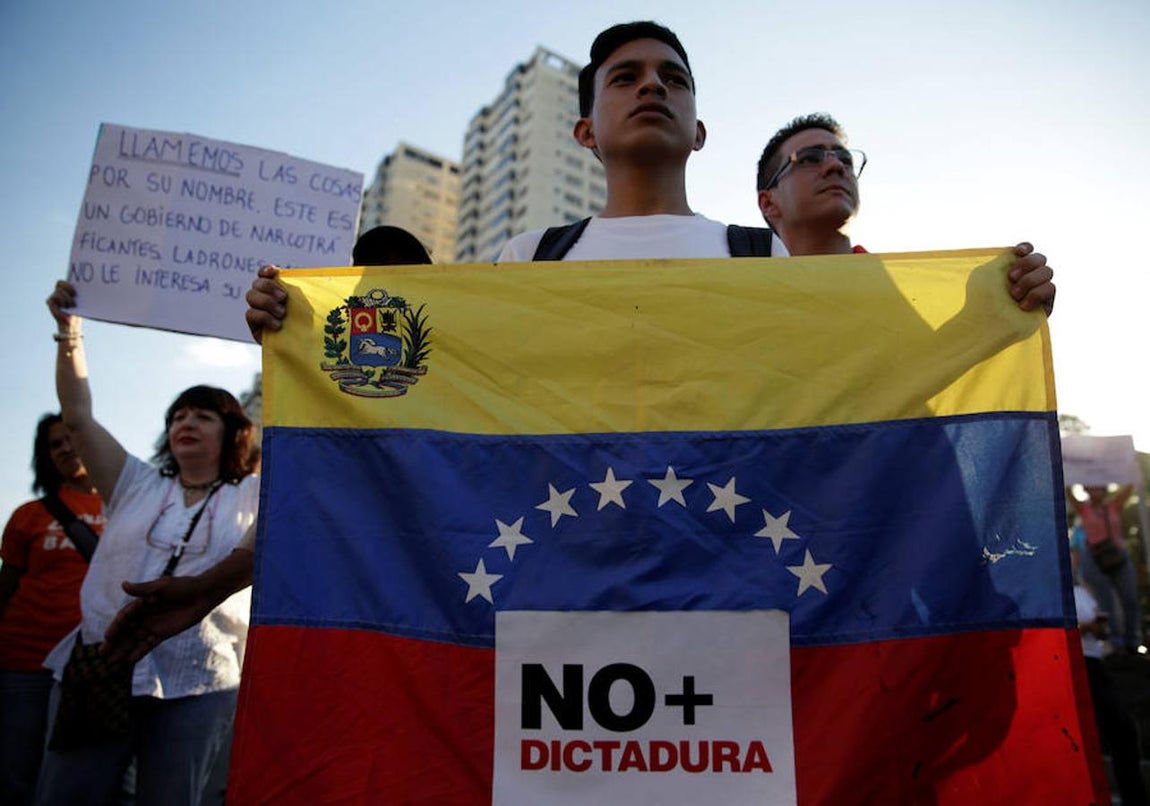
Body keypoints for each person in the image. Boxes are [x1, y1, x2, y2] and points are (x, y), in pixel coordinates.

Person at [102, 226, 434, 664]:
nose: (381, 291)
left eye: (406, 275)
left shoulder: (478, 401)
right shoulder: (345, 407)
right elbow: (307, 489)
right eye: (366, 278)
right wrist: (292, 350)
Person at [37, 281, 259, 806]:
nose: (186, 423)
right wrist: (70, 333)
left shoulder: (257, 492)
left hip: (201, 683)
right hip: (100, 668)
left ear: (233, 433)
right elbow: (78, 417)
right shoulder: (134, 482)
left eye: (202, 416)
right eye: (178, 415)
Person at [755, 113, 1055, 314]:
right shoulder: (747, 300)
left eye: (845, 158)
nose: (836, 166)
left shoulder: (914, 297)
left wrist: (1007, 312)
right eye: (809, 158)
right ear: (768, 202)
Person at [0, 415, 104, 806]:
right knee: (16, 774)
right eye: (55, 444)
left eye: (71, 437)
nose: (66, 448)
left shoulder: (133, 504)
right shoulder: (29, 514)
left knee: (76, 778)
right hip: (25, 664)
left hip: (94, 668)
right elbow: (6, 587)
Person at [1072, 542, 1148, 804]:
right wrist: (1083, 629)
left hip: (1095, 663)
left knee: (1123, 729)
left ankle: (1133, 795)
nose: (1073, 559)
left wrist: (1098, 628)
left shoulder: (1083, 592)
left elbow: (1101, 629)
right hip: (1074, 663)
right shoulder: (1051, 593)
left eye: (1074, 554)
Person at [1072, 484, 1141, 652]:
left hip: (1118, 556)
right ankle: (1115, 643)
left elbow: (1129, 487)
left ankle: (1132, 642)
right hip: (1095, 558)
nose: (1097, 490)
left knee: (1129, 599)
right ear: (1086, 489)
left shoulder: (1113, 506)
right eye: (1093, 487)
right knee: (1106, 603)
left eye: (1100, 487)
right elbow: (1068, 493)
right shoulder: (1083, 509)